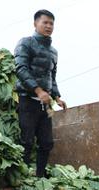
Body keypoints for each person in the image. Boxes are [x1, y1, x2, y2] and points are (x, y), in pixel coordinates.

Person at [14, 9, 67, 178]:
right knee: (26, 141)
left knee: (46, 143)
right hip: (27, 100)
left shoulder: (54, 52)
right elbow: (21, 69)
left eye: (51, 23)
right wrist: (38, 90)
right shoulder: (26, 43)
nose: (49, 26)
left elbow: (52, 76)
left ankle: (39, 177)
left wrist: (57, 96)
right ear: (35, 24)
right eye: (45, 22)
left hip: (45, 104)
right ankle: (22, 177)